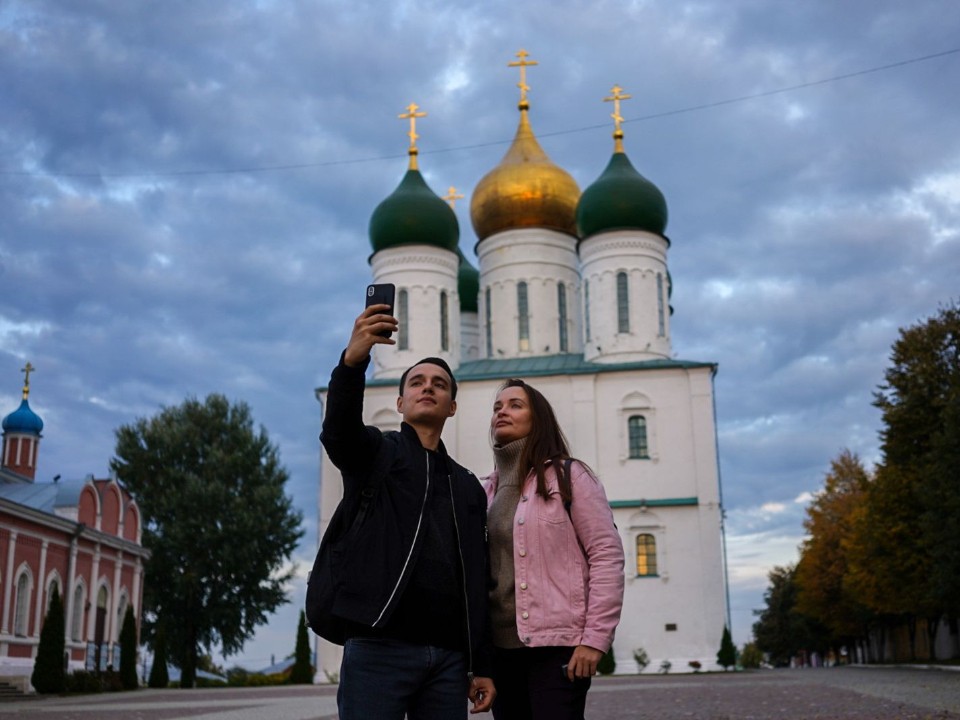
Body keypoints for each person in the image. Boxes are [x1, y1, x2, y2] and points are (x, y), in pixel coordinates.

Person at [320, 303, 496, 718]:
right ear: (400, 402)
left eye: (439, 384)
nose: (428, 388)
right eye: (417, 382)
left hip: (448, 659)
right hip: (379, 647)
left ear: (452, 406)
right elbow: (339, 433)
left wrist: (481, 663)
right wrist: (352, 362)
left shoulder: (466, 485)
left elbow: (476, 577)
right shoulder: (377, 455)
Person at [483, 379, 624, 720]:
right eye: (497, 407)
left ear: (539, 419)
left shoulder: (569, 477)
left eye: (515, 405)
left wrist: (594, 639)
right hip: (501, 652)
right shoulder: (485, 491)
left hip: (558, 648)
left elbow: (606, 556)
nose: (502, 411)